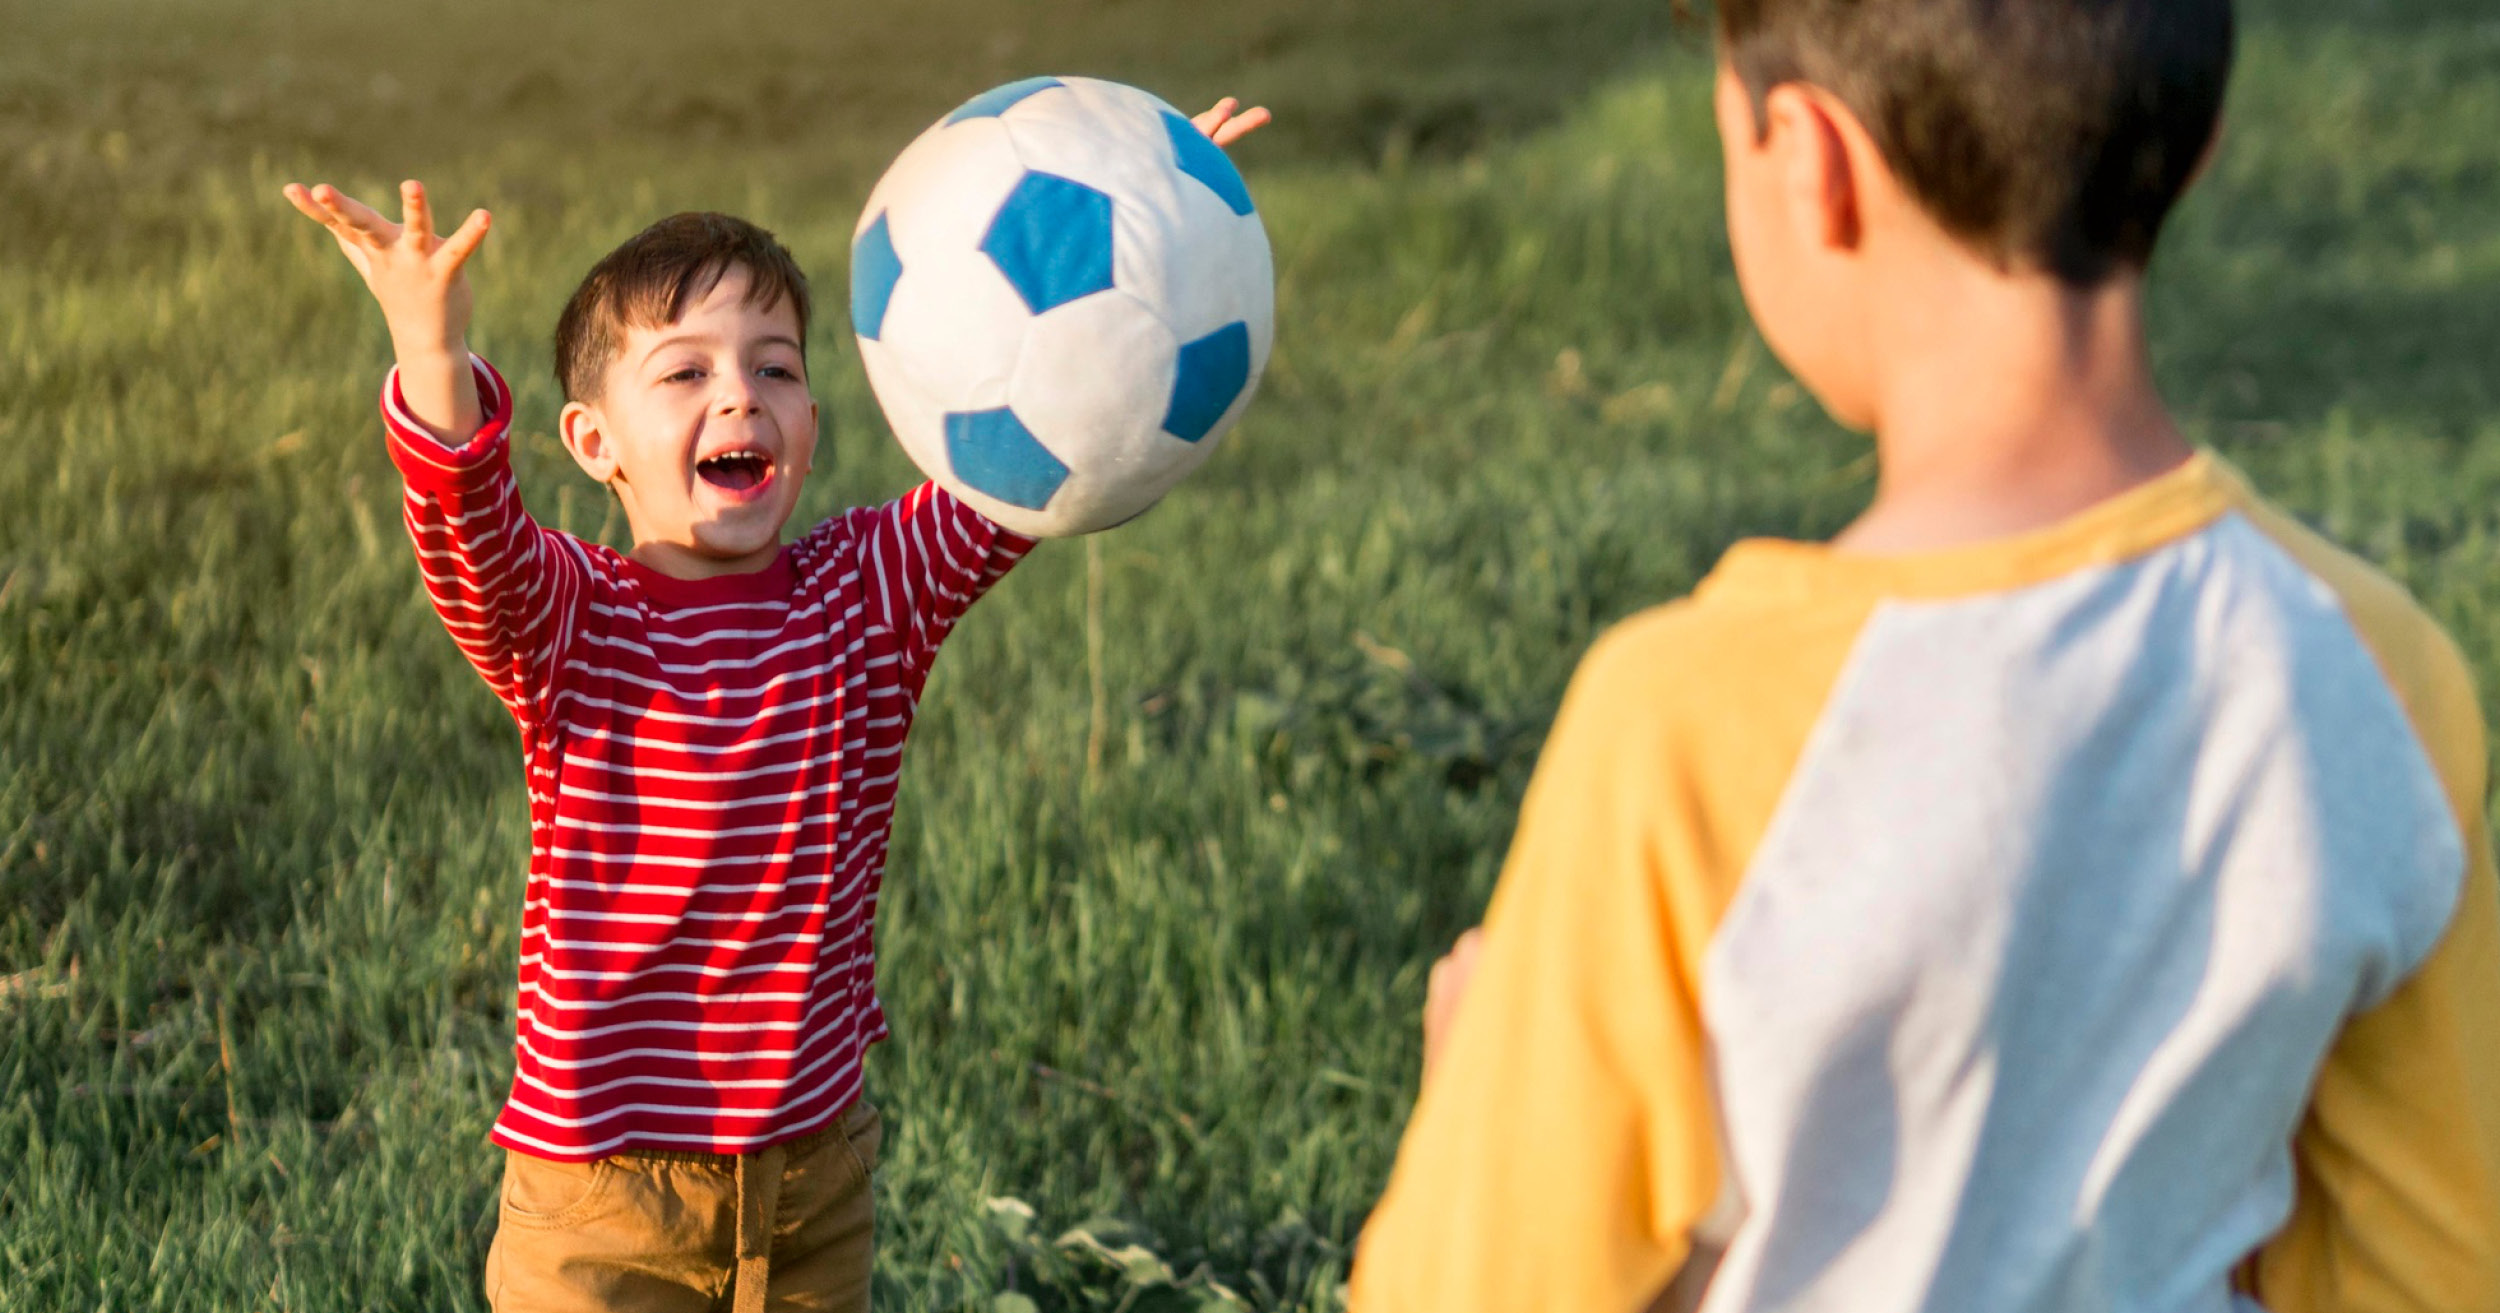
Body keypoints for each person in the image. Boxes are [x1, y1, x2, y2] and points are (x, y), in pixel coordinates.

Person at [1348, 1, 2500, 1309]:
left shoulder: (1684, 721)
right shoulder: (2383, 671)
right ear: (2196, 143)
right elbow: (2438, 1271)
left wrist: (1471, 1097)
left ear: (1808, 162)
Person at [280, 96, 1268, 1313]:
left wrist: (1158, 223)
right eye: (686, 371)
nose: (740, 397)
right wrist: (431, 355)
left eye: (776, 369)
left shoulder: (868, 592)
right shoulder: (571, 621)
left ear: (811, 419)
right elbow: (466, 537)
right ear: (594, 441)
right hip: (604, 1188)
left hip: (812, 1175)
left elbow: (1023, 465)